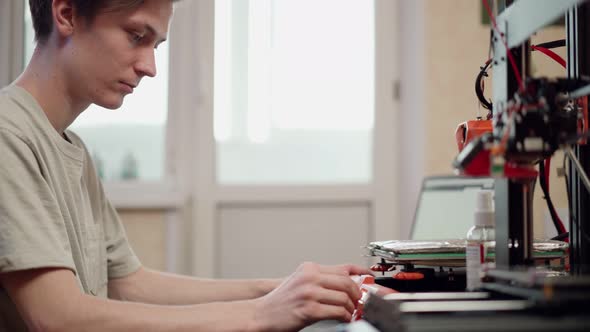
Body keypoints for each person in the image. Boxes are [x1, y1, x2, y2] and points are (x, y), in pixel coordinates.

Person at [0, 0, 371, 331]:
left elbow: (130, 283)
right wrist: (260, 314)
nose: (149, 67)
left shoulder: (72, 150)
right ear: (66, 14)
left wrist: (283, 289)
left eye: (156, 45)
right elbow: (59, 318)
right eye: (135, 36)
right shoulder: (7, 134)